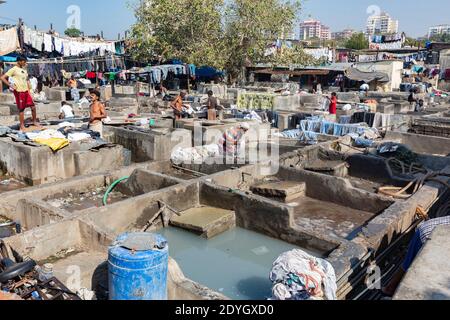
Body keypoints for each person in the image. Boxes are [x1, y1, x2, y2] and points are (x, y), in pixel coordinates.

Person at [382, 216, 450, 297]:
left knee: (408, 263)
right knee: (412, 267)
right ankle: (391, 289)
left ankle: (390, 288)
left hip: (428, 227)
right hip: (428, 233)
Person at [0, 56, 40, 131]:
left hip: (26, 91)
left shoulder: (24, 70)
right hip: (19, 91)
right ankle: (21, 125)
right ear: (19, 61)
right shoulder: (13, 69)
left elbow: (26, 80)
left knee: (33, 107)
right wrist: (10, 85)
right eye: (24, 61)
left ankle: (34, 121)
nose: (25, 63)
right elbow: (2, 77)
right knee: (21, 109)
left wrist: (30, 90)